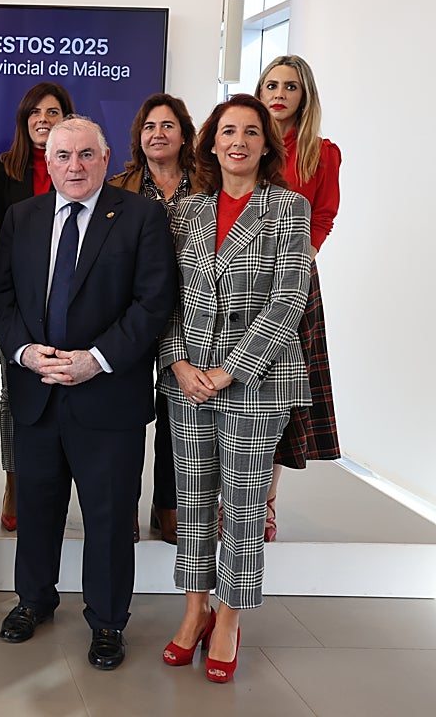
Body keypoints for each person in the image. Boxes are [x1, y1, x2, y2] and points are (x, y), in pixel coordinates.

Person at [0, 116, 176, 671]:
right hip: (37, 391)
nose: (75, 165)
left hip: (108, 396)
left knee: (111, 516)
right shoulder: (21, 217)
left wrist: (96, 360)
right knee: (37, 509)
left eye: (87, 155)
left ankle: (108, 620)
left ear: (106, 158)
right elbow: (2, 296)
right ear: (46, 161)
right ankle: (34, 601)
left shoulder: (141, 217)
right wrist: (24, 351)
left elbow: (153, 302)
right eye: (63, 155)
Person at [158, 94, 311, 683]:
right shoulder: (185, 212)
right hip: (188, 380)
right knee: (192, 500)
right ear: (212, 143)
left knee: (243, 508)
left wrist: (231, 370)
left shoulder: (289, 208)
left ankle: (229, 616)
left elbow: (288, 301)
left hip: (258, 382)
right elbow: (163, 297)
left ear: (267, 144)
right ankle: (194, 608)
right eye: (228, 132)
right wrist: (176, 363)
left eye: (252, 132)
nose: (239, 141)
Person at [108, 93, 202, 545]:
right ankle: (123, 504)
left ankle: (169, 506)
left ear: (184, 134)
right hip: (131, 315)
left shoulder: (209, 184)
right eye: (149, 126)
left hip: (188, 316)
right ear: (138, 137)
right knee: (125, 416)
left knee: (175, 417)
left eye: (167, 125)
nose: (158, 133)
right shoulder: (119, 185)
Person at [256, 55, 342, 542]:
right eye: (271, 84)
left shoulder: (322, 153)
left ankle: (266, 501)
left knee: (281, 397)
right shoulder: (244, 141)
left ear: (304, 95)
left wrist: (298, 262)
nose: (279, 94)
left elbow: (324, 215)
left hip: (294, 283)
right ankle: (231, 497)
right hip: (238, 278)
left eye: (290, 86)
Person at [0, 82, 75, 532]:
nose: (44, 118)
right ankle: (15, 480)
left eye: (54, 111)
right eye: (36, 112)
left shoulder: (83, 169)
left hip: (69, 303)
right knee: (16, 395)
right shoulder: (2, 170)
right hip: (19, 306)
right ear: (24, 120)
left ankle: (58, 479)